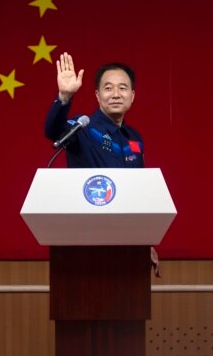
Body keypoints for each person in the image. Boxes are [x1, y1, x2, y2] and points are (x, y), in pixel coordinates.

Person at [45, 52, 159, 275]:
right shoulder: (82, 127)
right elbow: (53, 131)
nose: (116, 94)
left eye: (123, 88)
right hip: (83, 241)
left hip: (127, 248)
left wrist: (145, 242)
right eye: (108, 88)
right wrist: (64, 98)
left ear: (133, 95)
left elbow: (137, 196)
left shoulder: (134, 138)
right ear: (97, 95)